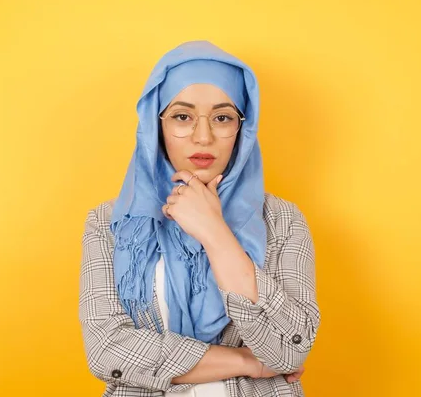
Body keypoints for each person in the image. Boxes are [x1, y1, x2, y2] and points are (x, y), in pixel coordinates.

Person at [79, 40, 320, 397]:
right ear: (155, 125)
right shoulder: (110, 223)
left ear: (243, 128)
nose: (203, 137)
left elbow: (290, 349)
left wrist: (215, 233)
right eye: (182, 116)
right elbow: (107, 351)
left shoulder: (282, 221)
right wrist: (248, 362)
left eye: (222, 117)